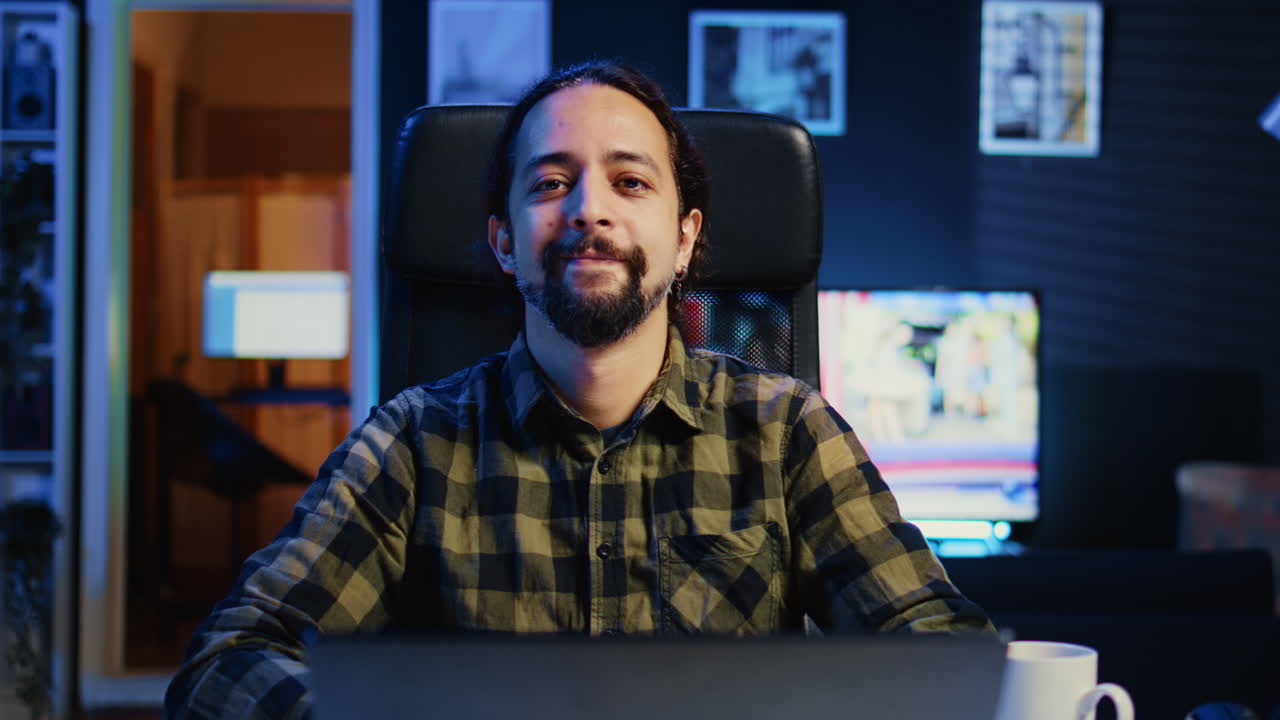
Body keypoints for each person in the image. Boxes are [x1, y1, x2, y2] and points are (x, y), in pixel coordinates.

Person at [165, 60, 993, 720]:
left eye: (630, 182)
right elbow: (225, 665)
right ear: (504, 242)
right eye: (551, 183)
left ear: (684, 240)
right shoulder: (411, 444)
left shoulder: (785, 432)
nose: (590, 209)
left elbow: (944, 655)